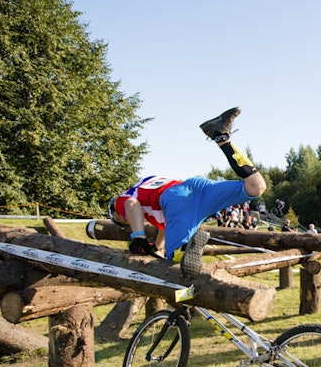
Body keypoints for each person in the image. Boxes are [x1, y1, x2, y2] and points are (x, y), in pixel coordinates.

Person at [107, 107, 267, 280]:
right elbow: (165, 228)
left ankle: (186, 246)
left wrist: (138, 236)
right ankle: (221, 137)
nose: (125, 220)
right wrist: (156, 249)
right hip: (193, 188)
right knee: (255, 187)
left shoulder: (124, 200)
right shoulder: (147, 194)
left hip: (176, 199)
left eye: (121, 220)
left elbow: (131, 205)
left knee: (176, 266)